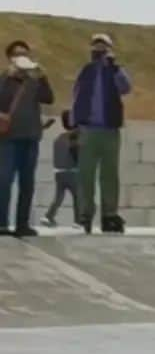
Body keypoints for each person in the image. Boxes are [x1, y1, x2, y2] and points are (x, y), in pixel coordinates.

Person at [71, 33, 132, 234]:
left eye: (103, 47)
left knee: (109, 175)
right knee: (85, 174)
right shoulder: (86, 71)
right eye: (96, 47)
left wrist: (114, 68)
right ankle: (85, 214)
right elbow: (76, 95)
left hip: (110, 130)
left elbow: (126, 88)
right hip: (88, 129)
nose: (99, 50)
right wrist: (74, 125)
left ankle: (109, 214)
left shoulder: (115, 70)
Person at [0, 40, 55, 238]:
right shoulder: (5, 79)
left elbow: (49, 98)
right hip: (8, 139)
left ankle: (22, 224)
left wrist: (42, 76)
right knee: (4, 181)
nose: (21, 56)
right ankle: (2, 224)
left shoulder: (34, 80)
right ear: (10, 58)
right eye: (16, 53)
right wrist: (9, 77)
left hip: (30, 138)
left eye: (24, 53)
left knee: (27, 183)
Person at [42, 110, 79, 227]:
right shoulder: (75, 137)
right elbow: (77, 154)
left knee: (58, 197)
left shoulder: (59, 138)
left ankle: (49, 216)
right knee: (78, 197)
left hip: (59, 173)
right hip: (72, 172)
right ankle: (78, 221)